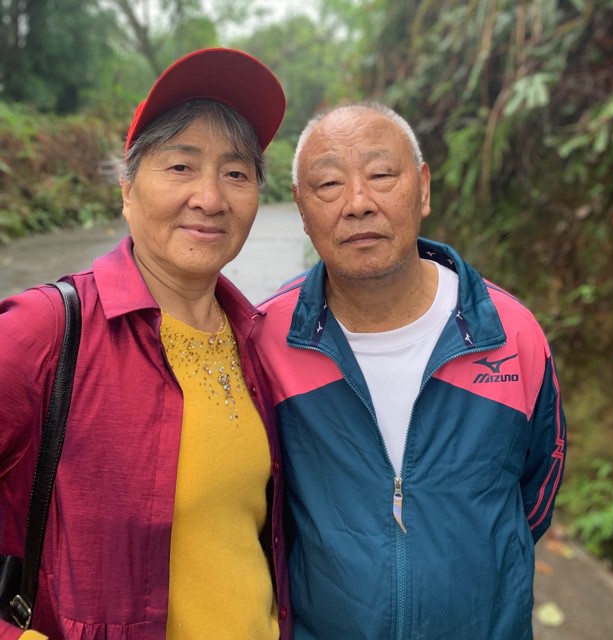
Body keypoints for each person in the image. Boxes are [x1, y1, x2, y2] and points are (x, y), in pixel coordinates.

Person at [0, 48, 292, 640]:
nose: (210, 198)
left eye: (236, 174)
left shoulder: (260, 340)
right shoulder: (43, 332)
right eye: (181, 166)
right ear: (127, 189)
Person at [254, 102, 566, 640]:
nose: (358, 203)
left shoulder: (509, 333)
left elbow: (535, 493)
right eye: (329, 184)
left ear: (422, 188)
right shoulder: (267, 340)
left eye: (381, 175)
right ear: (302, 209)